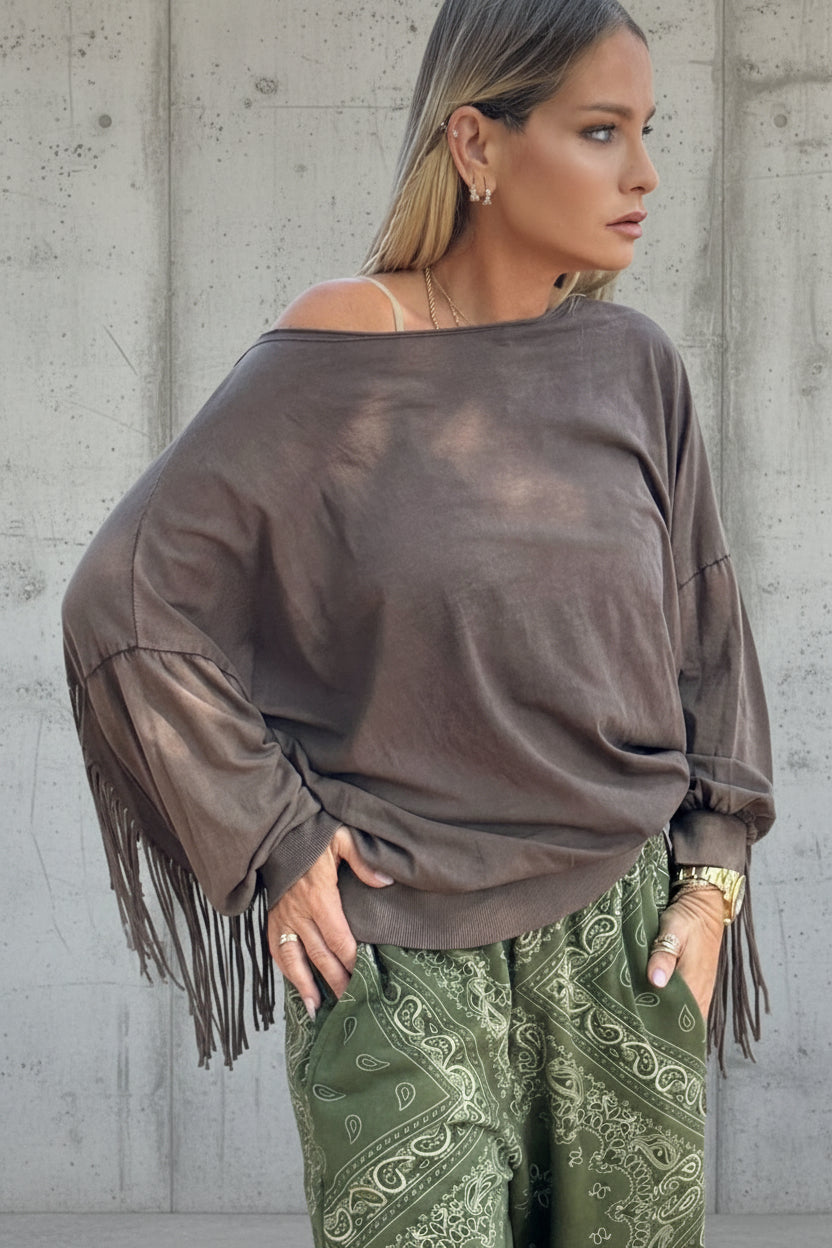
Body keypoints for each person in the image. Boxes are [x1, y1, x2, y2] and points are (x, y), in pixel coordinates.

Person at [62, 1, 775, 1244]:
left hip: (625, 944)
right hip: (398, 950)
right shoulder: (339, 351)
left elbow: (705, 636)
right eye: (600, 130)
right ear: (476, 144)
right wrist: (275, 838)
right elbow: (126, 600)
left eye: (646, 130)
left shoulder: (634, 365)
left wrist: (710, 888)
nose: (644, 174)